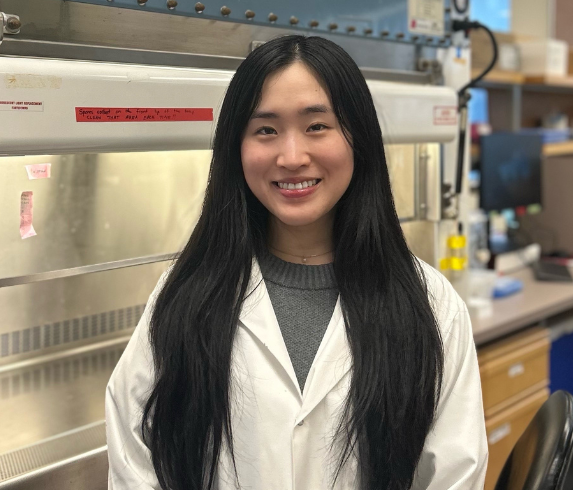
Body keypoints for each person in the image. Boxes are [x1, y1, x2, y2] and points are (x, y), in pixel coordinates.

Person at [106, 35, 487, 490]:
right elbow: (134, 459)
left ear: (358, 138)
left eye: (317, 126)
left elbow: (455, 475)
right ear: (236, 147)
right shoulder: (185, 294)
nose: (291, 157)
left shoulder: (431, 304)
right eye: (266, 130)